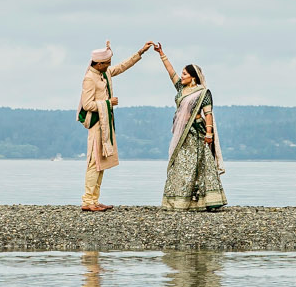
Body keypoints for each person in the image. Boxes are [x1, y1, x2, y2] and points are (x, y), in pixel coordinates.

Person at [78, 40, 149, 211]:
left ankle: (94, 199)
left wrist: (140, 52)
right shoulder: (90, 78)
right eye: (107, 63)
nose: (110, 65)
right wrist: (108, 103)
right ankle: (87, 201)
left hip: (105, 123)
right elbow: (87, 105)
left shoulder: (105, 73)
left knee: (101, 162)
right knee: (94, 162)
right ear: (99, 63)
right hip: (96, 124)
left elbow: (122, 66)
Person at [153, 45, 226, 211]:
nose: (181, 76)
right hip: (181, 134)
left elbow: (208, 114)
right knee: (180, 165)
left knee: (199, 165)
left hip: (196, 133)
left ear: (193, 77)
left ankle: (206, 201)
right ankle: (177, 201)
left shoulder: (203, 93)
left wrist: (209, 134)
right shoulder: (181, 88)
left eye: (185, 74)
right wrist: (161, 54)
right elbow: (170, 72)